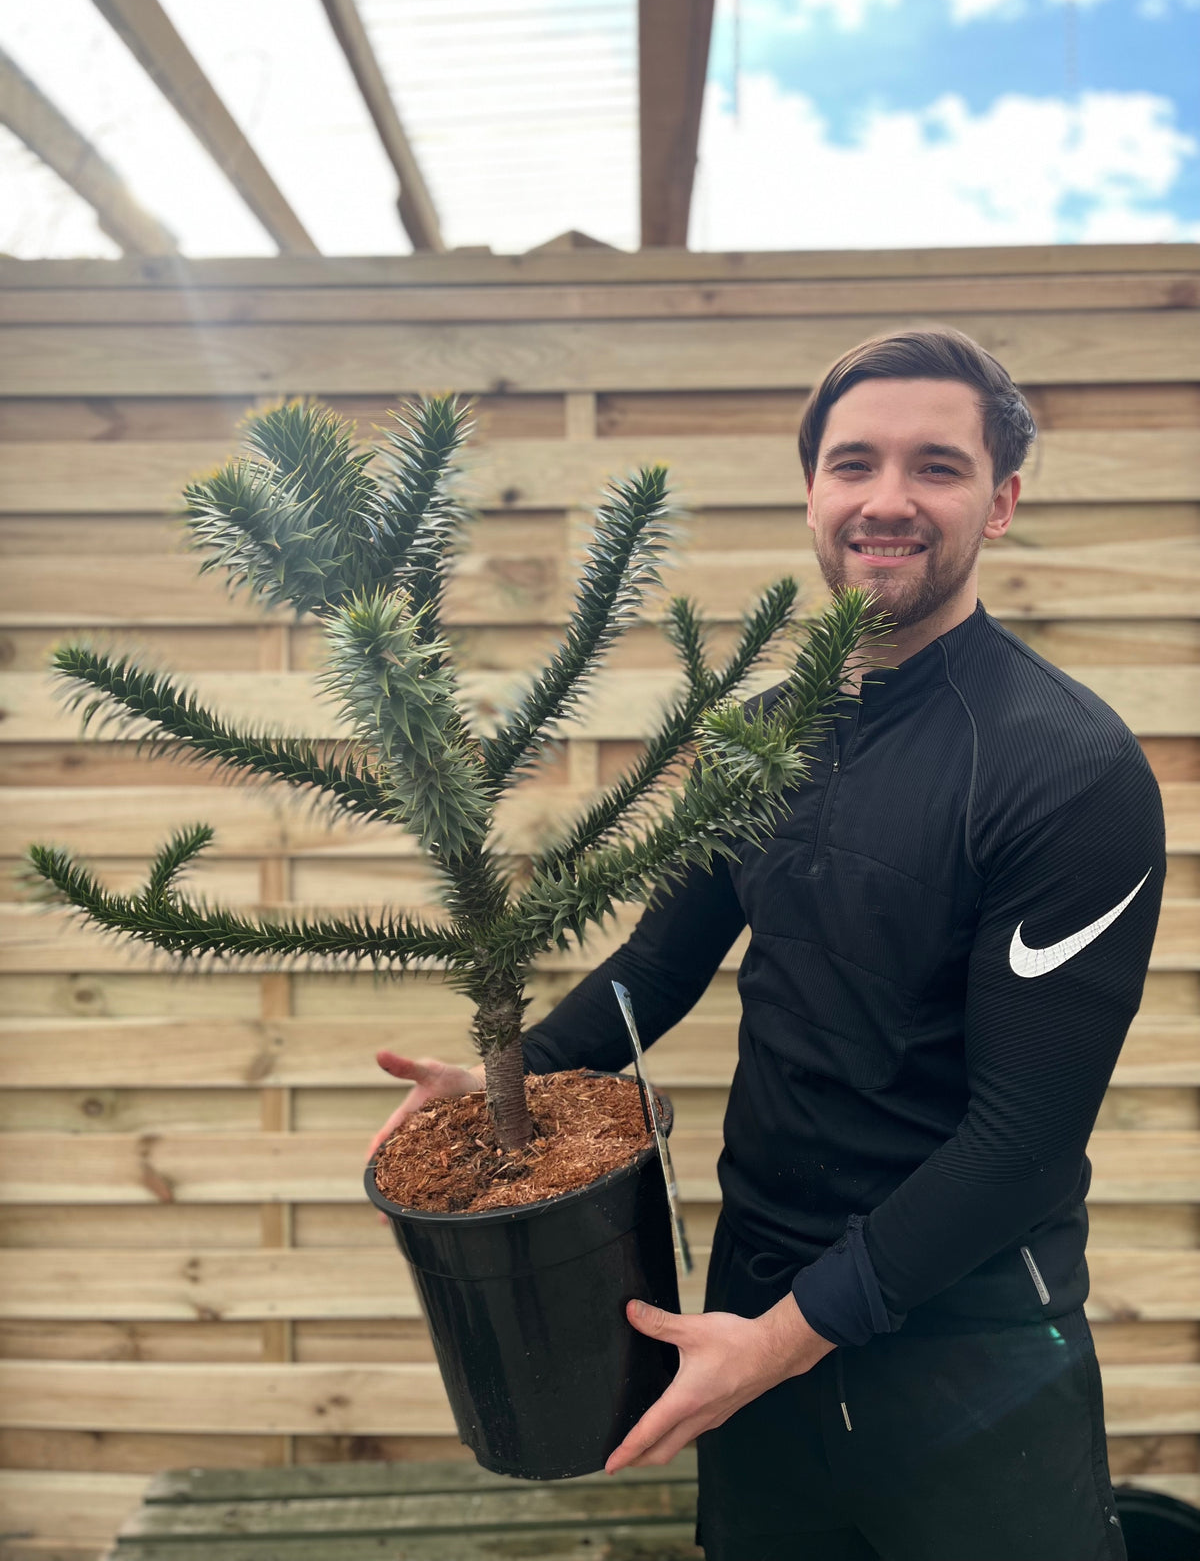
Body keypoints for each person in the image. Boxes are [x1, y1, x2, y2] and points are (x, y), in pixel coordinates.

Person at [370, 330, 1164, 1561]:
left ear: (1000, 502)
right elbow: (657, 967)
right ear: (813, 493)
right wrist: (503, 1077)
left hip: (969, 1343)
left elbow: (1022, 1140)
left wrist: (788, 1333)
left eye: (936, 467)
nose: (887, 499)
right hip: (751, 1306)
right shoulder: (763, 736)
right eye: (854, 463)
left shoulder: (1066, 768)